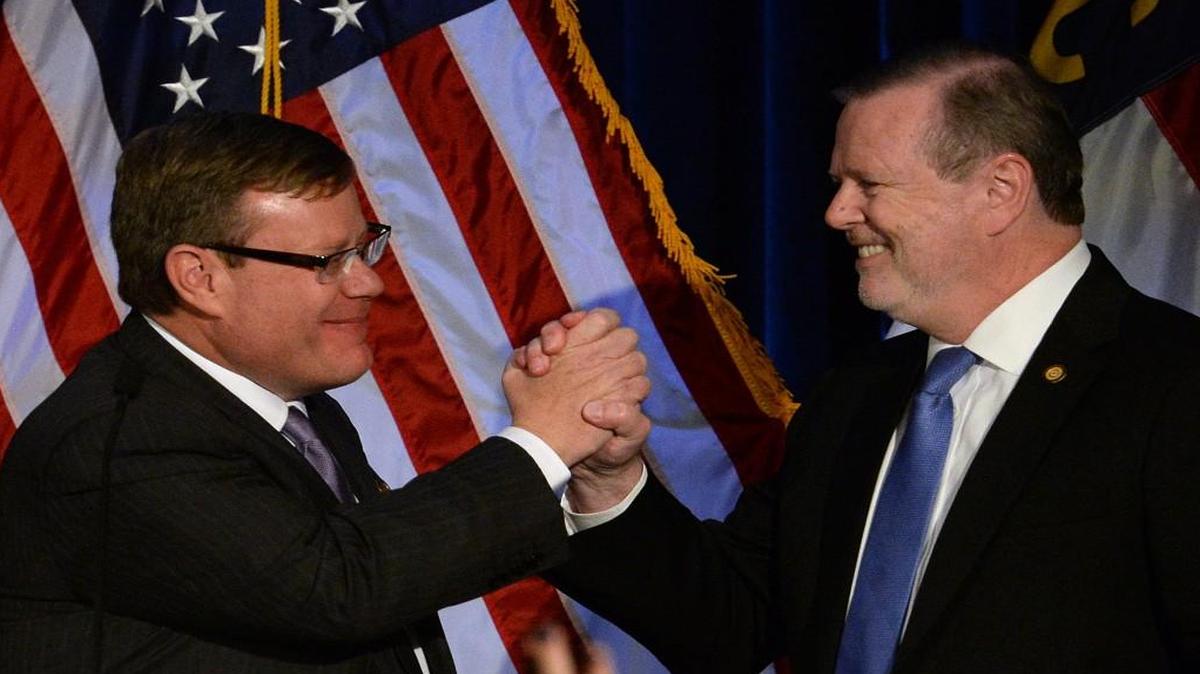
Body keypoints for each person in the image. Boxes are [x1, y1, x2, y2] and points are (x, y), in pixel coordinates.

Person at [526, 43, 1200, 672]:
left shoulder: (1172, 384)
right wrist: (607, 481)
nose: (836, 212)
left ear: (1000, 190)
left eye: (869, 184)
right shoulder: (855, 395)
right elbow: (730, 626)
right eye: (838, 183)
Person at [0, 112, 648, 673]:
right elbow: (343, 588)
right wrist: (542, 442)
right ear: (199, 278)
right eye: (326, 262)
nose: (368, 285)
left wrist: (577, 460)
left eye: (365, 247)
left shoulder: (297, 413)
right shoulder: (121, 441)